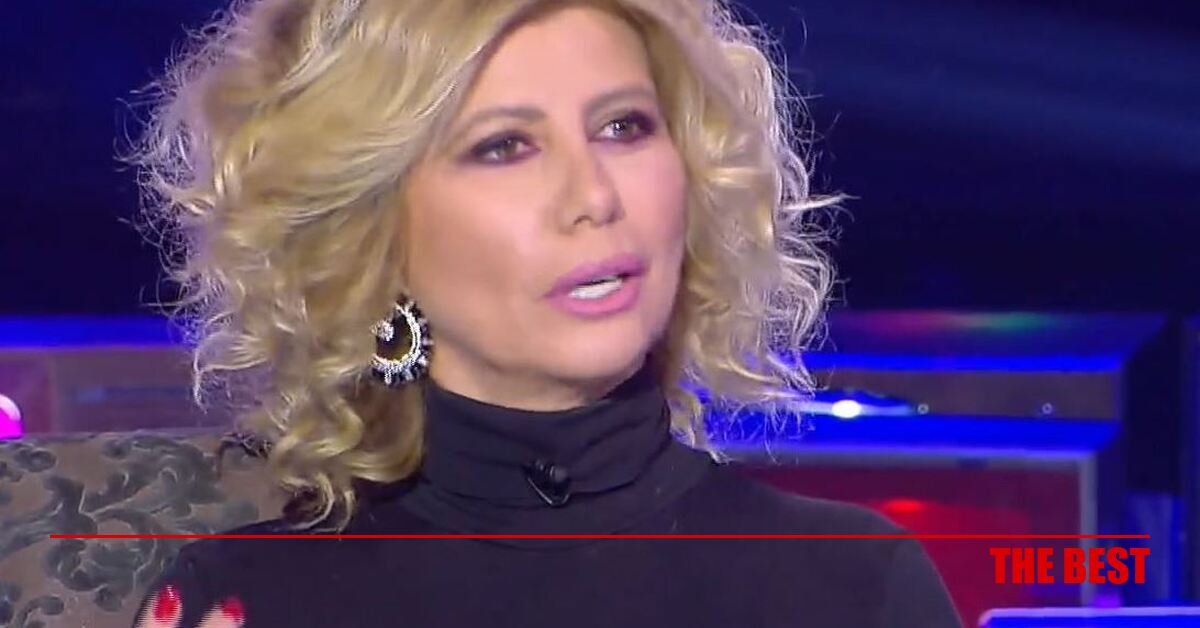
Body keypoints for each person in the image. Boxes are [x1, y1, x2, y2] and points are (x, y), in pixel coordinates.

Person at [130, 0, 962, 626]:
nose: (594, 195)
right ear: (367, 230)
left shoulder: (849, 584)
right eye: (505, 146)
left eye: (624, 127)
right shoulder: (250, 602)